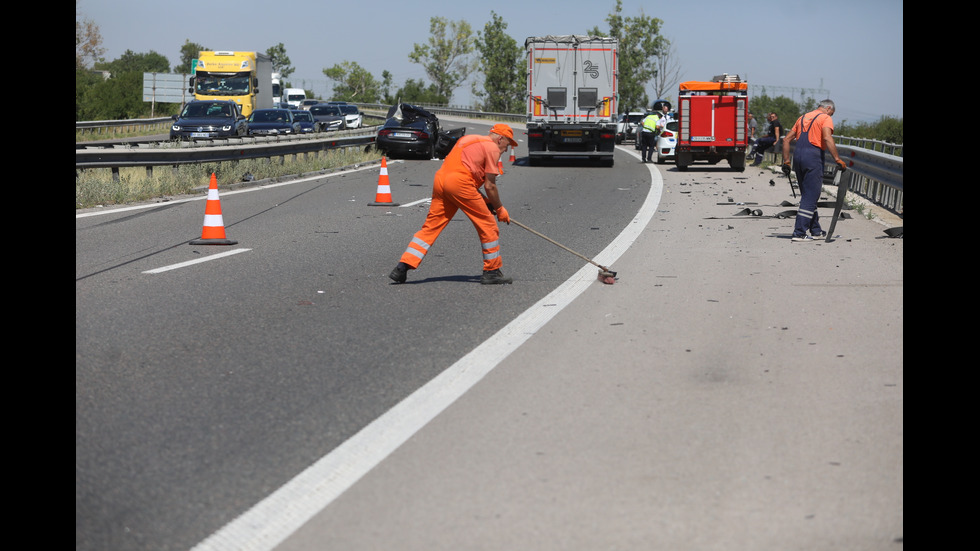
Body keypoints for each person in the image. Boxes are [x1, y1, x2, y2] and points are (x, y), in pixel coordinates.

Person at [389, 124, 517, 285]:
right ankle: (492, 271)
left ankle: (402, 267)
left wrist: (487, 203)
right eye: (508, 144)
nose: (507, 149)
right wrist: (499, 208)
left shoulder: (469, 139)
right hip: (460, 183)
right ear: (500, 138)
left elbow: (463, 172)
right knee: (488, 225)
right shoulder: (492, 148)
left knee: (431, 226)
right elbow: (489, 185)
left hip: (441, 180)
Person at [781, 100, 847, 242]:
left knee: (808, 195)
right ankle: (799, 232)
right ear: (828, 108)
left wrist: (786, 161)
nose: (832, 116)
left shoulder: (802, 117)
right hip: (813, 157)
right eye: (832, 113)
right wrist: (837, 159)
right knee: (811, 196)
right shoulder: (825, 118)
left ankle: (816, 230)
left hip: (797, 158)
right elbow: (827, 137)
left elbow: (786, 140)